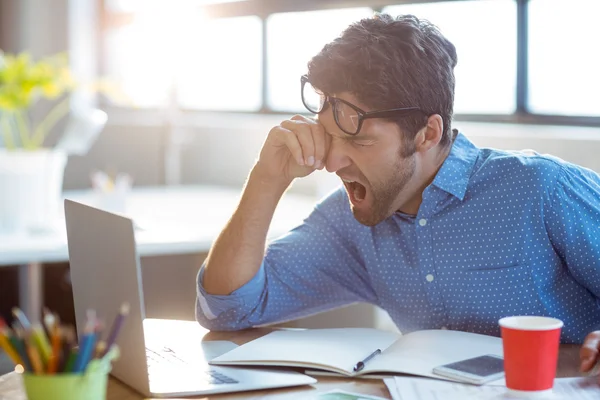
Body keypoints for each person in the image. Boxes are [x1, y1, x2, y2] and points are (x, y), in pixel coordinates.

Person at [195, 14, 600, 376]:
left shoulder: (541, 189)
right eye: (328, 136)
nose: (332, 161)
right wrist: (267, 178)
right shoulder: (351, 220)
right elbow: (229, 310)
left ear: (427, 134)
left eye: (358, 140)